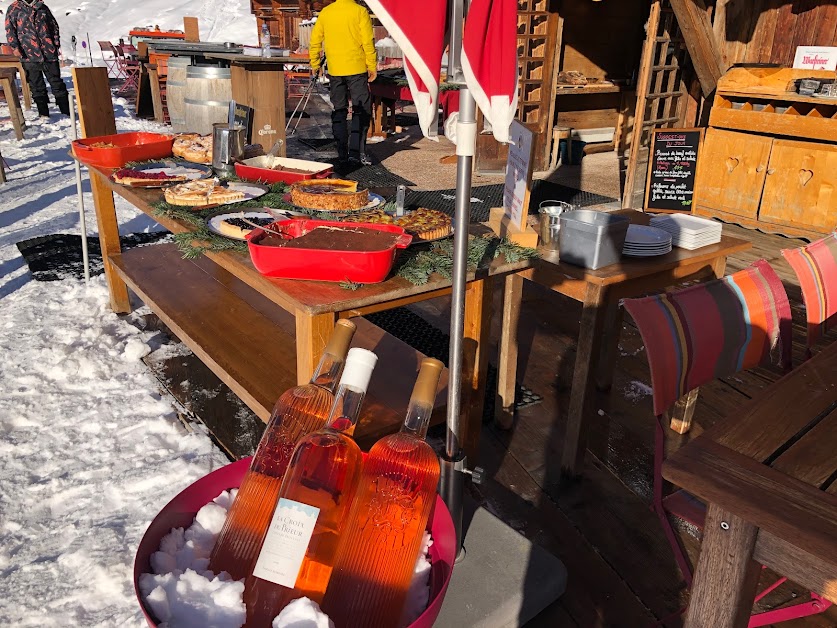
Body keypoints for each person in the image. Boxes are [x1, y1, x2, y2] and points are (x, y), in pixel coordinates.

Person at [309, 0, 377, 166]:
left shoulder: (326, 12)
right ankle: (357, 152)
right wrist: (372, 65)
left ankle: (341, 152)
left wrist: (315, 63)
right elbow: (367, 40)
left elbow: (315, 41)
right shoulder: (360, 11)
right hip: (357, 68)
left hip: (335, 70)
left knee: (339, 109)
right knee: (361, 110)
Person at [5, 0, 69, 118]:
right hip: (28, 53)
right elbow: (10, 30)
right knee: (36, 85)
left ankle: (66, 111)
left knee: (57, 83)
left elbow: (53, 26)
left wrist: (55, 43)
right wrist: (15, 47)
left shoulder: (42, 7)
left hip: (48, 52)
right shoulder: (14, 9)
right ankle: (43, 113)